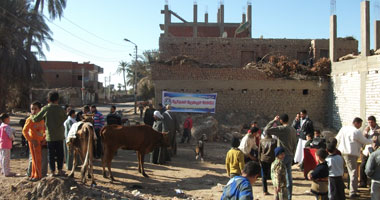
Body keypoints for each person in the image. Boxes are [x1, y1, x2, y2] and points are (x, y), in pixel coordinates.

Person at [32, 92, 67, 177]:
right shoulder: (60, 109)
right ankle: (60, 170)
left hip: (50, 136)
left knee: (51, 155)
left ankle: (52, 172)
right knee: (60, 154)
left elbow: (36, 119)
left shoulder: (46, 109)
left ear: (48, 100)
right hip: (59, 135)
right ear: (57, 100)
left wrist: (32, 116)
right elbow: (65, 117)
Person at [336, 117, 372, 198]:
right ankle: (353, 192)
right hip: (351, 154)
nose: (360, 126)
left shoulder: (343, 128)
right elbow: (364, 141)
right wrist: (372, 140)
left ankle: (340, 188)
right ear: (357, 123)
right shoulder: (356, 131)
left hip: (341, 152)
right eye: (360, 124)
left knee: (340, 172)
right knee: (353, 173)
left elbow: (337, 139)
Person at [264, 114, 297, 200]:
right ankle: (289, 196)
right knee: (288, 176)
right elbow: (295, 143)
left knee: (277, 176)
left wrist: (274, 120)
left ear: (281, 121)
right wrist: (293, 154)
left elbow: (266, 129)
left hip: (282, 156)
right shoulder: (293, 129)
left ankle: (278, 196)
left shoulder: (283, 129)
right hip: (290, 154)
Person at [22, 102, 46, 180]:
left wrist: (44, 139)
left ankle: (34, 174)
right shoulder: (30, 119)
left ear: (40, 109)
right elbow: (24, 131)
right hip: (34, 142)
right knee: (36, 159)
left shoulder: (42, 119)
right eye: (32, 109)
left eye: (35, 109)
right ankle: (37, 176)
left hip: (41, 142)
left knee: (39, 159)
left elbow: (45, 129)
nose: (33, 111)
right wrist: (31, 140)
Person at [360, 116, 380, 188]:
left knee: (373, 166)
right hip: (366, 150)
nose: (370, 124)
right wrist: (365, 132)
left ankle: (372, 182)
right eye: (369, 122)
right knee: (363, 166)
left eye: (371, 122)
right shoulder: (367, 129)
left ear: (374, 122)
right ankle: (363, 182)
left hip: (374, 151)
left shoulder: (378, 129)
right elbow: (362, 138)